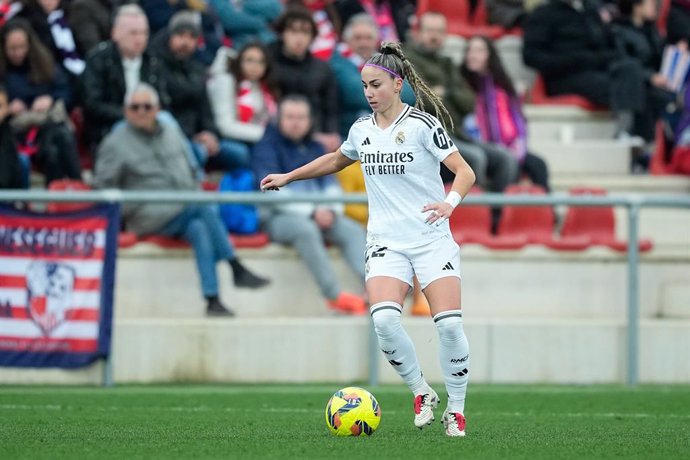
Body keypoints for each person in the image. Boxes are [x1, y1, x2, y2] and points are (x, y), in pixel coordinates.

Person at [260, 42, 476, 437]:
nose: (369, 93)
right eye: (364, 86)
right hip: (385, 241)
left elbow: (464, 171)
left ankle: (456, 410)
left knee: (447, 326)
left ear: (397, 84)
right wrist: (289, 176)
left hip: (431, 239)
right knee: (384, 321)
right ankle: (421, 392)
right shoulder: (361, 130)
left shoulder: (423, 126)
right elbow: (335, 160)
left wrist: (449, 203)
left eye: (376, 85)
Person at [94, 83, 270, 317]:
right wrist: (126, 210)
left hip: (183, 206)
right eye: (135, 107)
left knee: (199, 228)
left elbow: (190, 167)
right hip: (145, 214)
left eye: (147, 106)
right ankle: (234, 265)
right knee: (203, 204)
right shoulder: (115, 143)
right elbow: (103, 187)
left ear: (157, 109)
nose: (141, 112)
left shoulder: (170, 131)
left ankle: (212, 299)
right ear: (126, 111)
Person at [252, 94, 368, 315]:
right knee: (305, 231)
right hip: (277, 217)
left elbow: (331, 185)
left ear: (309, 120)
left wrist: (330, 211)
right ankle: (334, 295)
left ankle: (373, 286)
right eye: (290, 117)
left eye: (301, 117)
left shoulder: (315, 147)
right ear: (278, 118)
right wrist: (313, 212)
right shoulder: (265, 147)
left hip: (321, 212)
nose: (296, 122)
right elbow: (271, 192)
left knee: (352, 230)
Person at [403, 11, 518, 197]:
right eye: (430, 31)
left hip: (457, 133)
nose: (434, 36)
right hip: (429, 136)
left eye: (439, 32)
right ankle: (472, 214)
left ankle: (495, 215)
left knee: (505, 159)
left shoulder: (447, 63)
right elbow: (424, 100)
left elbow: (469, 102)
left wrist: (446, 92)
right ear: (417, 33)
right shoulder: (406, 60)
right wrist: (445, 95)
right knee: (474, 158)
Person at [151, 10, 251, 173]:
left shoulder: (197, 69)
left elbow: (206, 109)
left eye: (192, 37)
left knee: (240, 154)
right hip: (171, 138)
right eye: (181, 35)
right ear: (170, 36)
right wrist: (193, 137)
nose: (185, 41)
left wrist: (210, 134)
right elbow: (163, 111)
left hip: (199, 137)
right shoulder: (155, 67)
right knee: (198, 153)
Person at [461, 35, 551, 191]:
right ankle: (495, 212)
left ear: (490, 55)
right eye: (470, 50)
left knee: (538, 165)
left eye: (479, 50)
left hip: (510, 146)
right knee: (502, 162)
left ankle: (549, 213)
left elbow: (519, 120)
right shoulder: (461, 84)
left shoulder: (503, 85)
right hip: (480, 146)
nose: (473, 55)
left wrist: (519, 147)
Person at [0, 17, 81, 187]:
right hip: (11, 131)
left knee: (58, 142)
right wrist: (7, 107)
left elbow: (66, 91)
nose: (18, 53)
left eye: (22, 47)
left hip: (44, 126)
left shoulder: (45, 63)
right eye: (12, 48)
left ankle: (76, 189)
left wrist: (51, 99)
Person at [81, 4, 168, 150]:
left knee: (169, 123)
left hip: (150, 124)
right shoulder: (98, 60)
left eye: (144, 33)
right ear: (115, 33)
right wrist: (131, 115)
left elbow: (163, 99)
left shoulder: (153, 60)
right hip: (111, 126)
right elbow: (92, 105)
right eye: (133, 33)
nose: (140, 39)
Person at [269, 6, 341, 152]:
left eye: (305, 32)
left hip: (317, 135)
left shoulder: (322, 68)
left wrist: (331, 133)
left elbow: (331, 108)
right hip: (277, 134)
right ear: (282, 33)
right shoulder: (267, 62)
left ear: (312, 37)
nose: (299, 38)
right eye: (293, 31)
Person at [207, 41, 278, 144]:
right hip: (225, 138)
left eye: (261, 62)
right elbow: (225, 127)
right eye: (249, 60)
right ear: (239, 61)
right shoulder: (226, 82)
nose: (255, 66)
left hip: (255, 137)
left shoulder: (264, 88)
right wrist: (268, 135)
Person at [0, 84, 24, 190]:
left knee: (24, 161)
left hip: (8, 197)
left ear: (8, 109)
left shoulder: (11, 131)